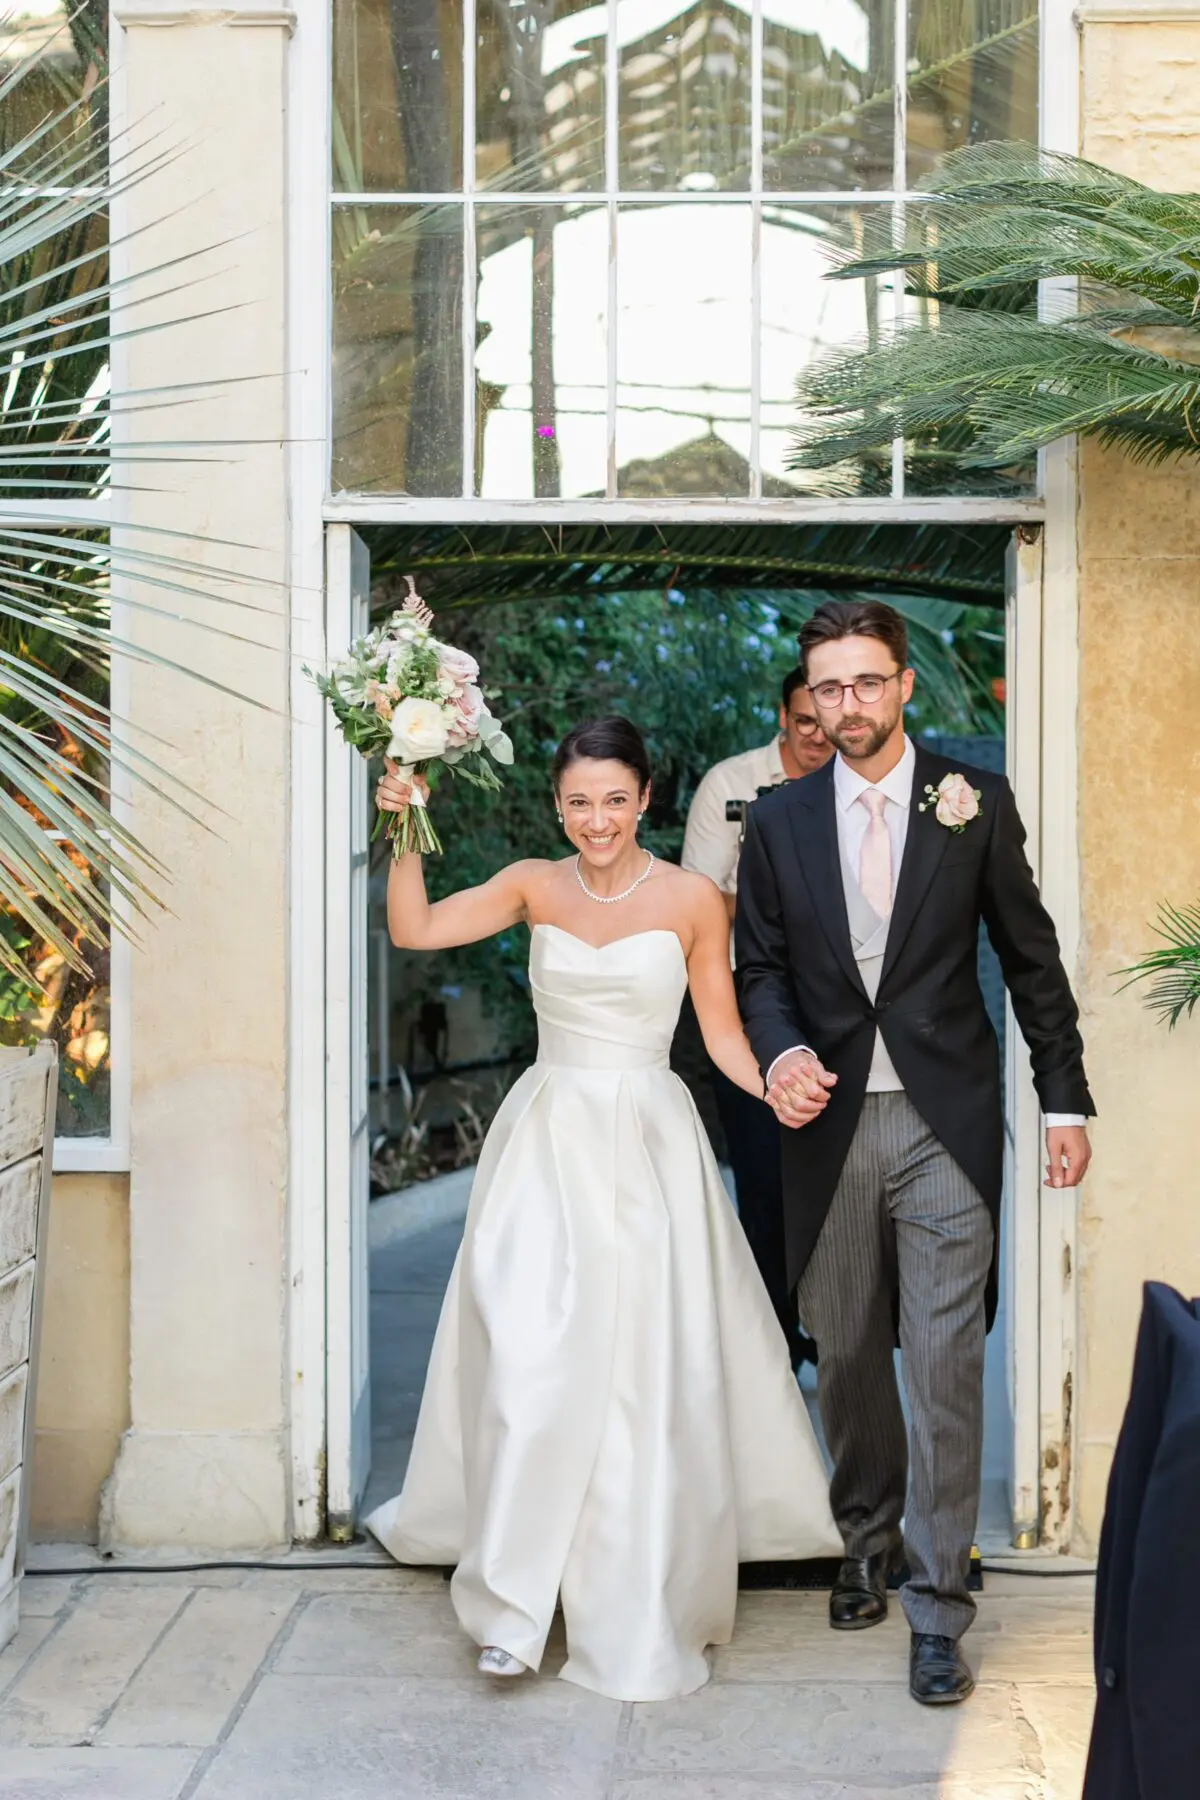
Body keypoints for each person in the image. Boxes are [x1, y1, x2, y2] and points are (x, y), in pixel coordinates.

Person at [365, 716, 840, 1704]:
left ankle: (633, 1586)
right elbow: (413, 929)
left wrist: (780, 1087)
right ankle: (509, 1607)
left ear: (646, 799)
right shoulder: (533, 884)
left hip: (652, 1145)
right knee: (531, 1363)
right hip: (546, 1141)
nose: (596, 820)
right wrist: (403, 824)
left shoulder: (694, 899)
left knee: (639, 1374)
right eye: (579, 802)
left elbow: (718, 1033)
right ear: (557, 805)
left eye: (614, 800)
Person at [736, 599, 1094, 1708]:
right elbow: (759, 971)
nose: (848, 705)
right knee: (843, 1351)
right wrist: (784, 1049)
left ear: (904, 687)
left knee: (942, 1364)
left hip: (945, 1119)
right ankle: (866, 1537)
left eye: (867, 682)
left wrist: (1065, 1104)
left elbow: (1029, 958)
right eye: (829, 687)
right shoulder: (781, 818)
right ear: (812, 698)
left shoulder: (972, 802)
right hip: (828, 1124)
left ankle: (938, 1608)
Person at [682, 668, 832, 1365]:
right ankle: (772, 1340)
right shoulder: (730, 784)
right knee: (765, 1176)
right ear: (782, 715)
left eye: (828, 720)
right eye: (804, 721)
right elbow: (699, 904)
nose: (819, 736)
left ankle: (837, 1327)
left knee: (844, 1173)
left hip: (846, 1002)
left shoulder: (870, 783)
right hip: (747, 999)